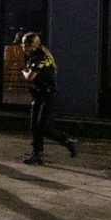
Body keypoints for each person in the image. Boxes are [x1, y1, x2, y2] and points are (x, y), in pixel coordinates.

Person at [21, 32, 77, 164]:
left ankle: (67, 142)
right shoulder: (32, 55)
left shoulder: (40, 57)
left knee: (45, 127)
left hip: (48, 95)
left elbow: (30, 76)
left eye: (25, 44)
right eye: (22, 44)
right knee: (34, 126)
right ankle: (37, 155)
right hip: (38, 95)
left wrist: (24, 72)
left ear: (32, 46)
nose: (23, 47)